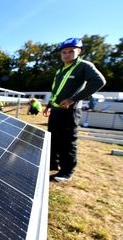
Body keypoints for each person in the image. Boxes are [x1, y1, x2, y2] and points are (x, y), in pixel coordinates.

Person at [43, 38, 106, 182]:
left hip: (70, 112)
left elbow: (99, 81)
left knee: (67, 143)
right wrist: (49, 105)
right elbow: (56, 90)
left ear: (79, 52)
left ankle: (66, 173)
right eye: (64, 52)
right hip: (56, 111)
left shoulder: (84, 66)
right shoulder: (60, 69)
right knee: (54, 139)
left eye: (71, 51)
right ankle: (54, 164)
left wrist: (73, 99)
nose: (67, 54)